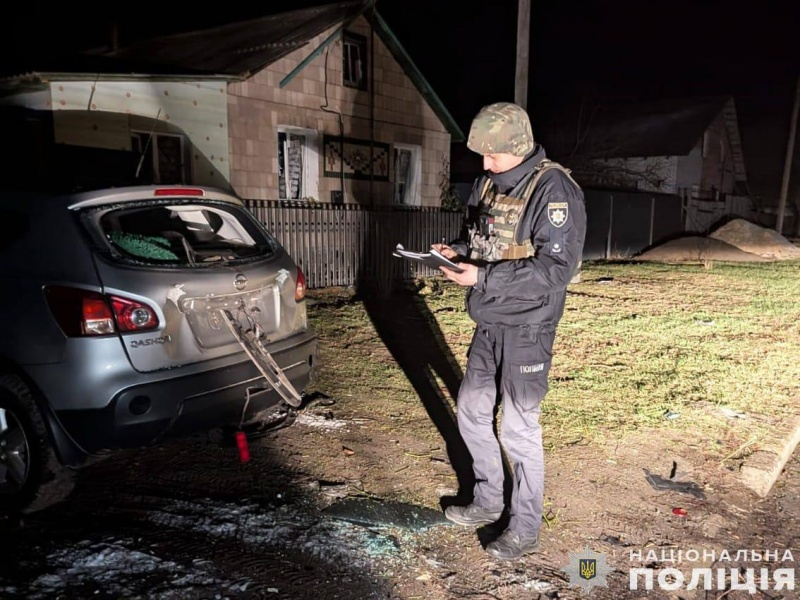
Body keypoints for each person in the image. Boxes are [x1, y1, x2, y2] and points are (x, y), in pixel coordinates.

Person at [433, 102, 586, 560]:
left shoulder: (553, 189)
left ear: (518, 147)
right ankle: (487, 500)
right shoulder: (487, 184)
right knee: (471, 410)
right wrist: (455, 252)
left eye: (492, 154)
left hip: (529, 325)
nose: (484, 163)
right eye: (480, 154)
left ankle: (524, 527)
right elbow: (481, 237)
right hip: (489, 318)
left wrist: (480, 277)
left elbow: (556, 268)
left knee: (518, 428)